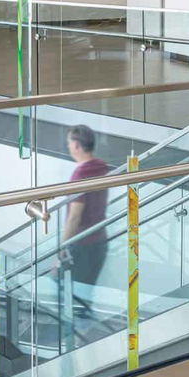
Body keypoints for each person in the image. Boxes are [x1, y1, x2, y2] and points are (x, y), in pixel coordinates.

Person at [60, 124, 111, 309]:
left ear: (76, 145)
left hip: (82, 245)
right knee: (86, 294)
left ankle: (75, 332)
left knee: (72, 296)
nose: (68, 147)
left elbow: (74, 217)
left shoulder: (80, 174)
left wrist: (62, 246)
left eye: (69, 143)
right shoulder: (101, 166)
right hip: (100, 242)